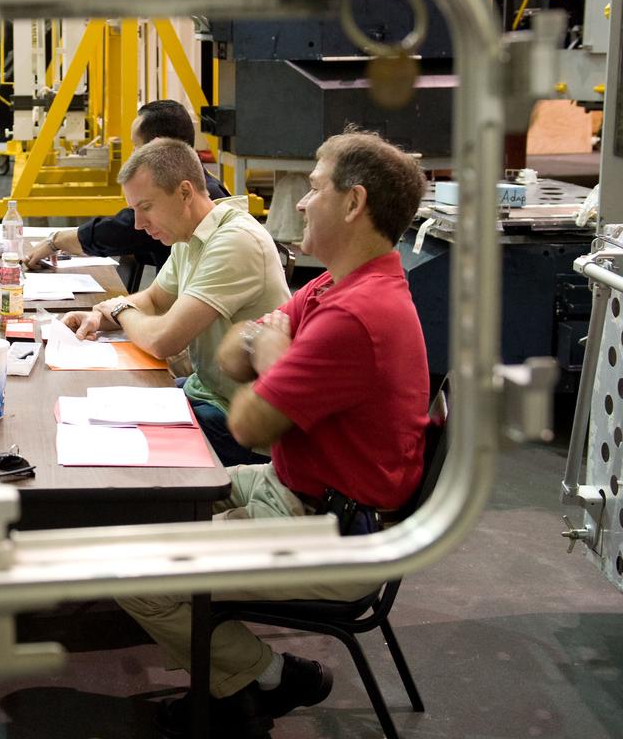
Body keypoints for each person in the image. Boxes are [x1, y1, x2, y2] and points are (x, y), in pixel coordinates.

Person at [118, 129, 430, 739]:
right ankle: (248, 683)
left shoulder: (353, 315)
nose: (303, 202)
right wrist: (270, 349)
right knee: (142, 504)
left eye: (313, 190)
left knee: (130, 572)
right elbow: (237, 354)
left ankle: (265, 676)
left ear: (354, 202)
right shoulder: (331, 285)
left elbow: (247, 421)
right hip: (293, 489)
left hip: (332, 532)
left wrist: (268, 351)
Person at [61, 139, 289, 467]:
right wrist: (100, 314)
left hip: (243, 425)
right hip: (209, 393)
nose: (138, 224)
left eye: (146, 207)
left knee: (111, 448)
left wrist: (119, 308)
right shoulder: (188, 237)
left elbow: (163, 340)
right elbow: (154, 299)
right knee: (101, 407)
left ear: (184, 193)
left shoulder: (235, 242)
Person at [23, 99, 231, 271]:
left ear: (155, 146)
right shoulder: (204, 188)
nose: (141, 223)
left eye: (136, 147)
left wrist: (56, 241)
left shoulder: (187, 203)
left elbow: (120, 229)